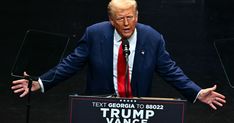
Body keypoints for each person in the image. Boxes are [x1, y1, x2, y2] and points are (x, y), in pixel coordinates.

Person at [11, 0, 226, 110]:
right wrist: (40, 82)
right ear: (111, 20)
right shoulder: (95, 34)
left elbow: (171, 71)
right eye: (121, 19)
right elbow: (71, 64)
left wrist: (197, 93)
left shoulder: (152, 38)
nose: (126, 24)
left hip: (136, 108)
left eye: (130, 17)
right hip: (100, 107)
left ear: (137, 16)